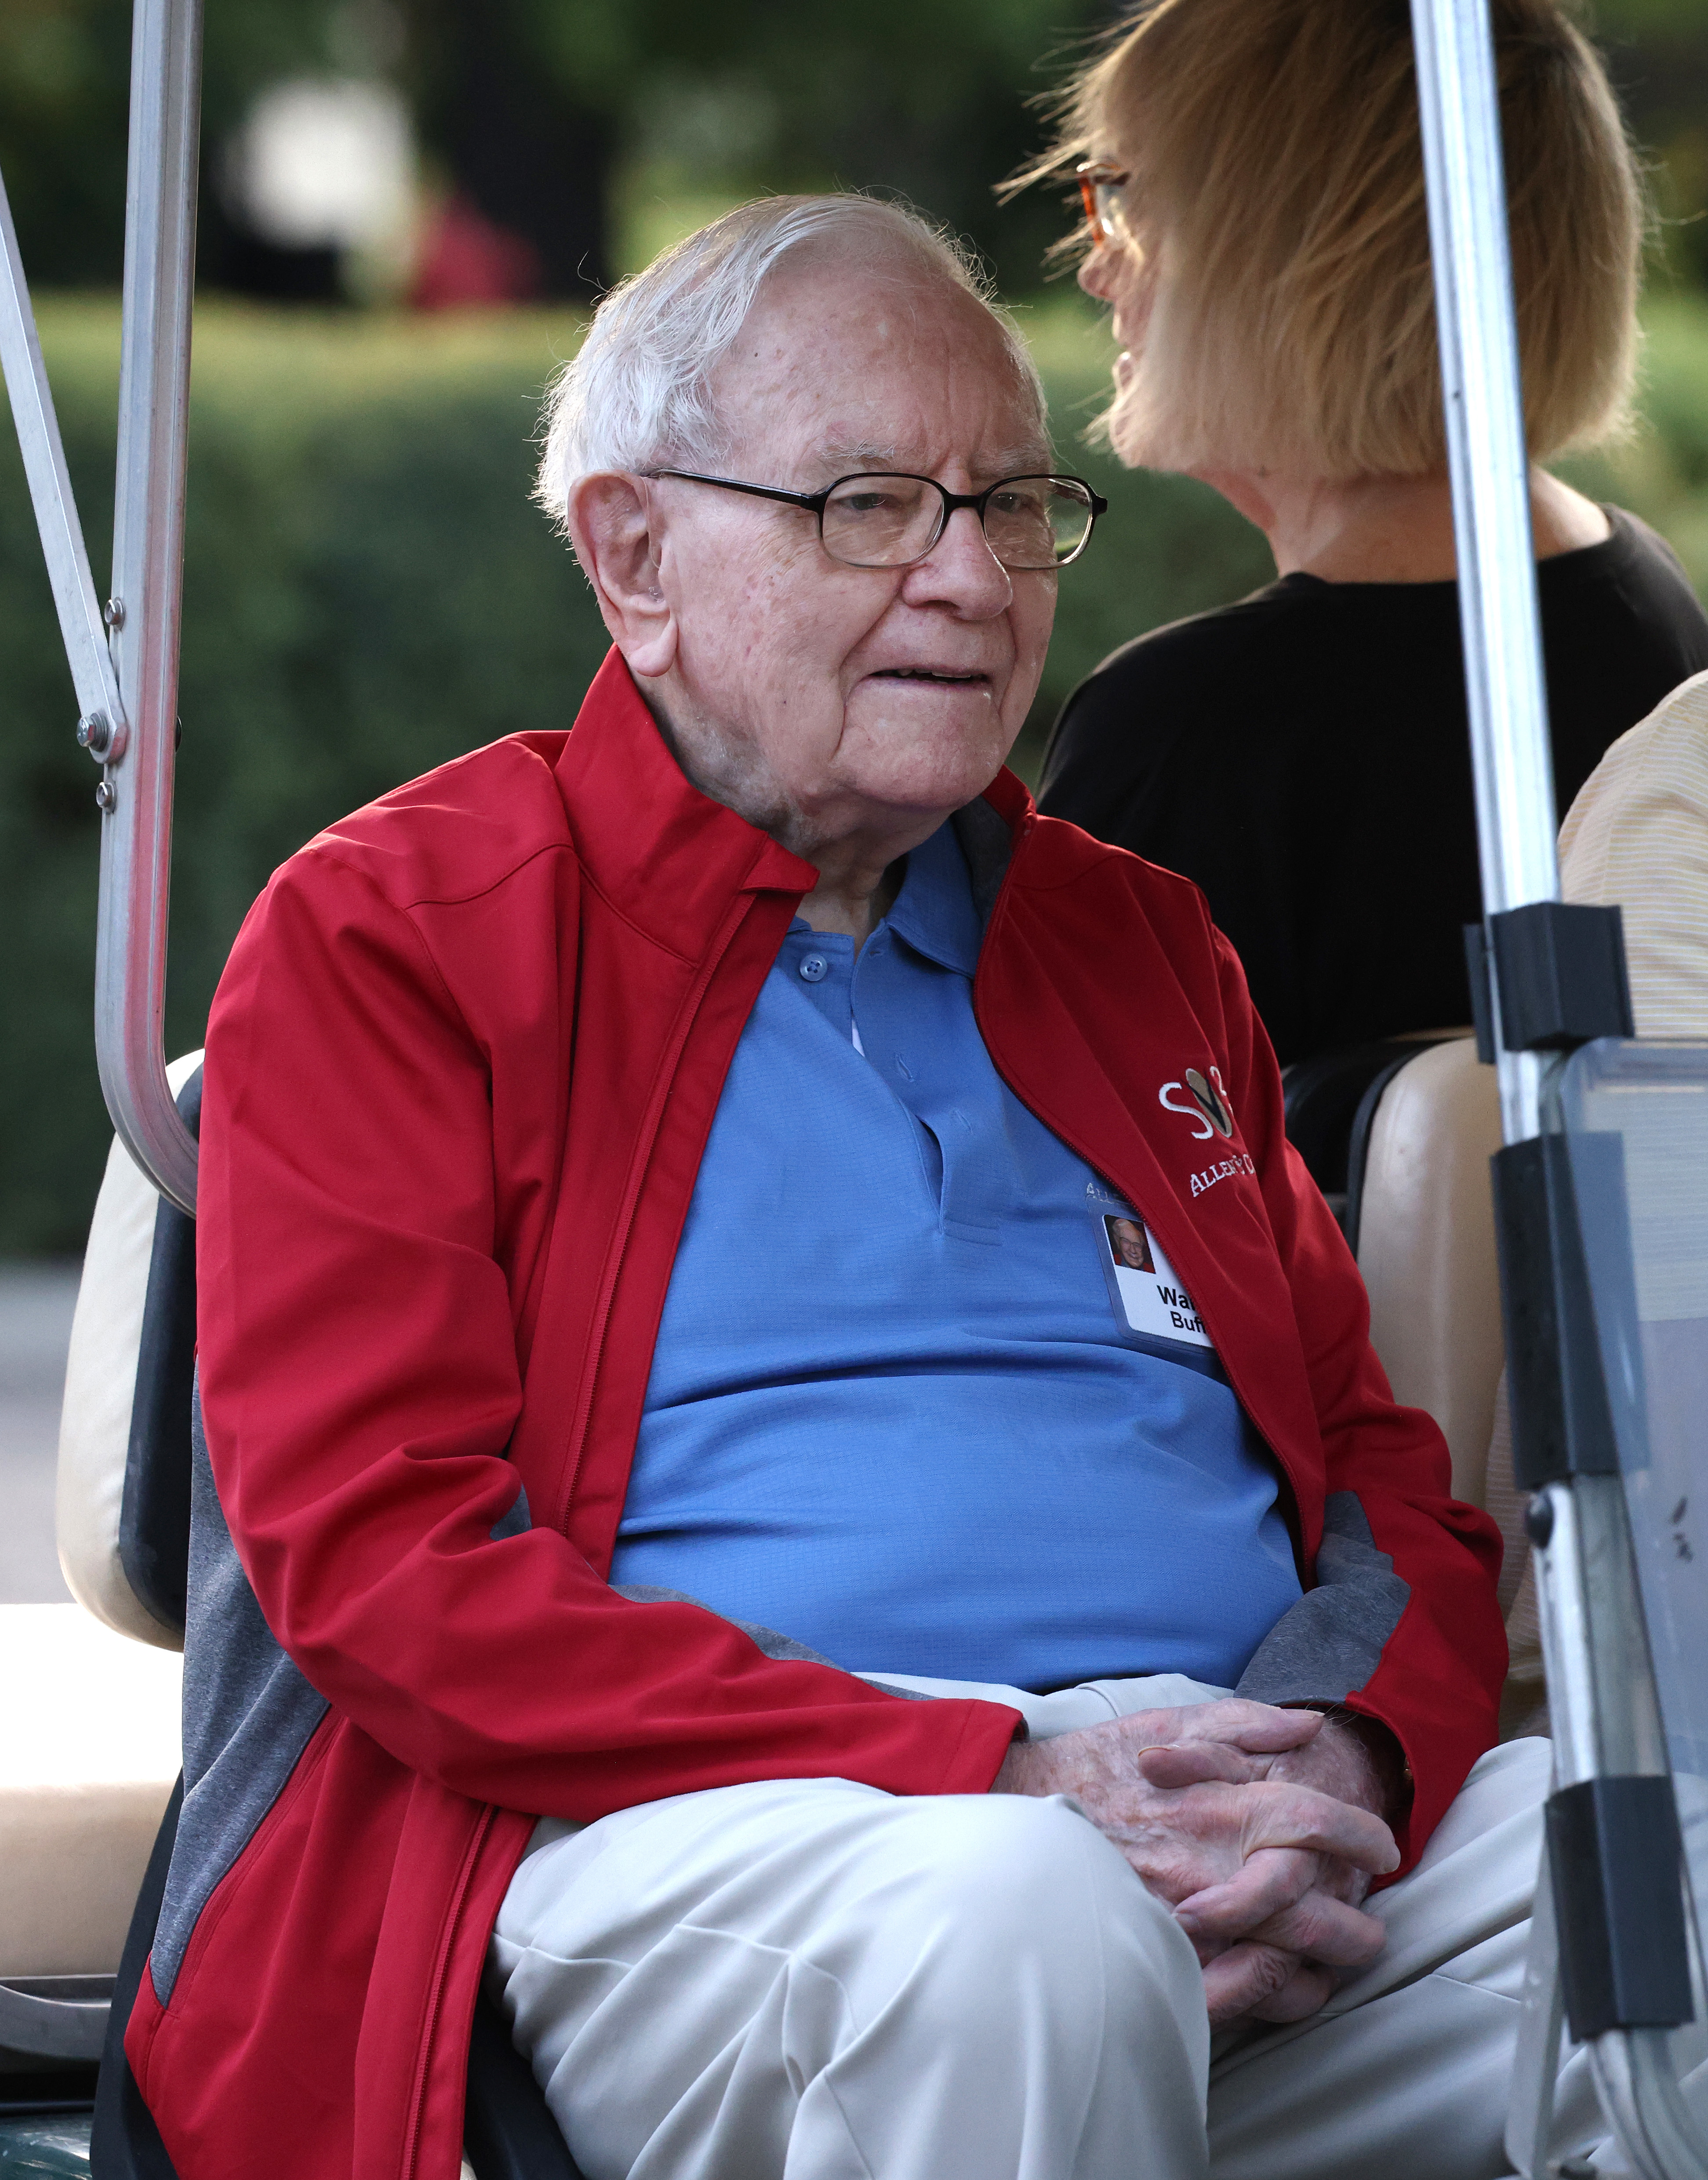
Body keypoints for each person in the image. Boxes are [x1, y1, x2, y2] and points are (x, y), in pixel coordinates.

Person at [128, 196, 1613, 2180]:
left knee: (1655, 1880)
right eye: (865, 505)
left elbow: (1374, 1474)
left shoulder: (1134, 941)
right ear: (630, 552)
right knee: (1023, 1925)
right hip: (691, 1826)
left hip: (1196, 1804)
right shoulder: (397, 935)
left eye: (1009, 505)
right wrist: (997, 1762)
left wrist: (1332, 1753)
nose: (970, 576)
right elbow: (388, 1571)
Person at [1029, 0, 1708, 1068]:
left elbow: (1046, 1198)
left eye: (1123, 200)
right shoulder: (1646, 606)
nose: (1092, 266)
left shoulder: (1186, 736)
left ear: (1280, 265)